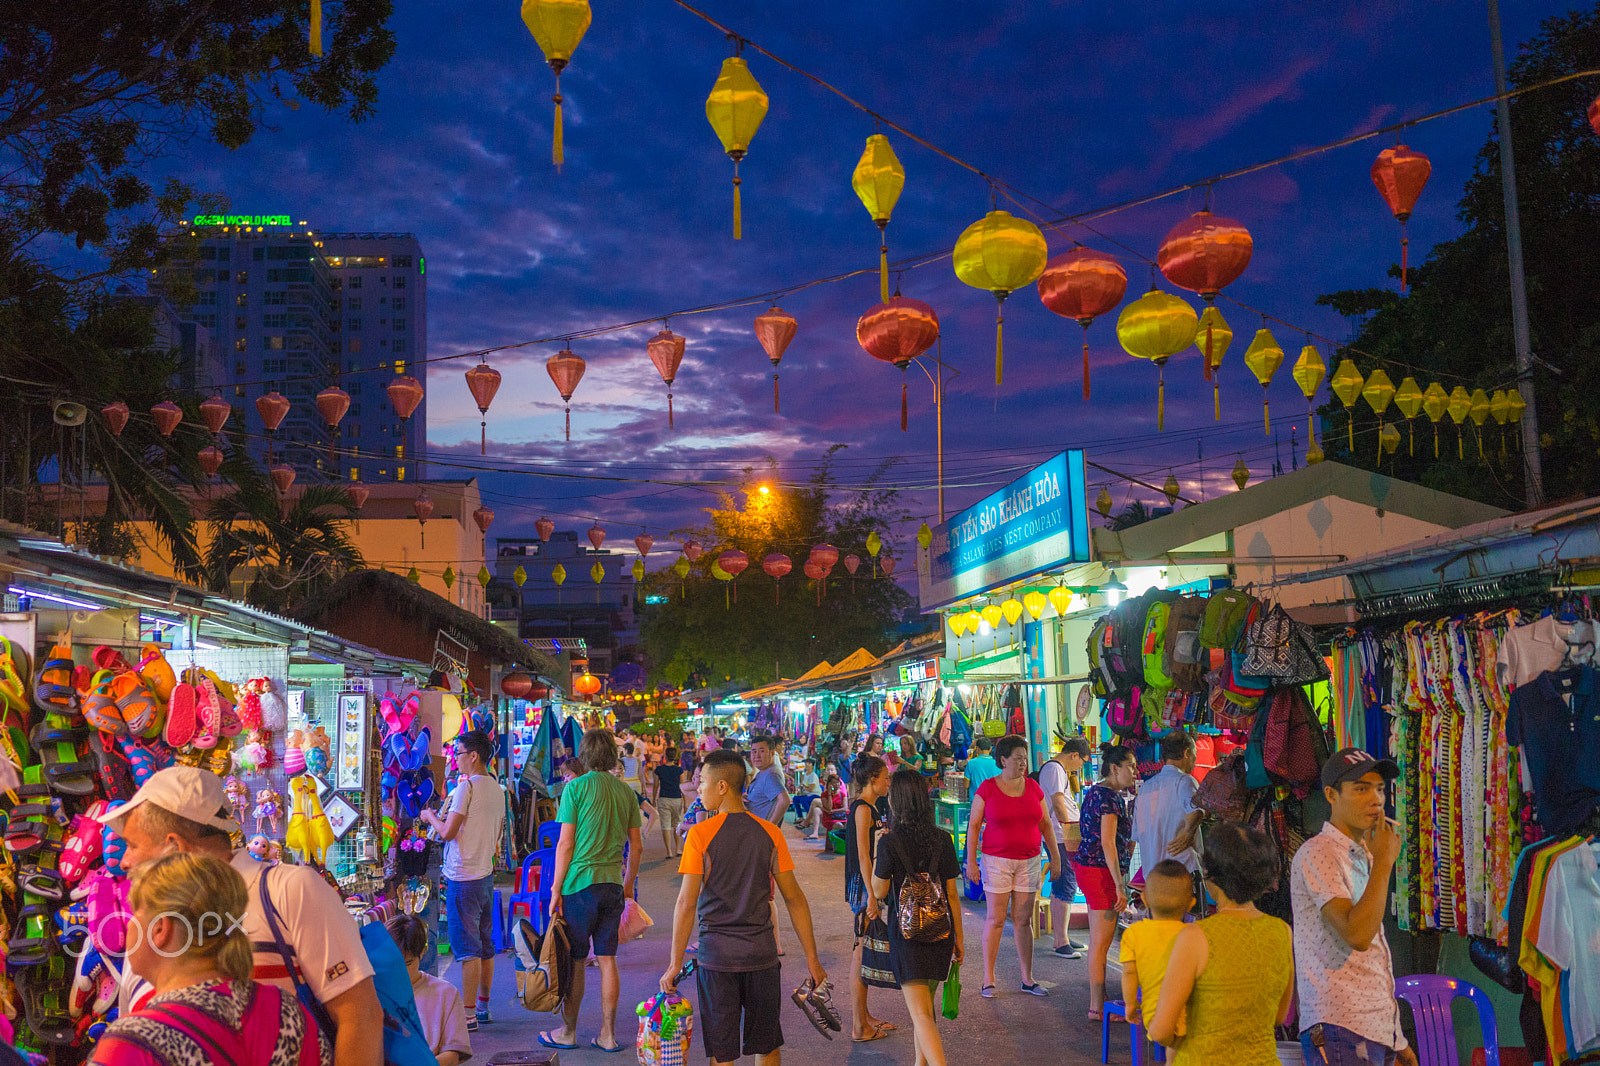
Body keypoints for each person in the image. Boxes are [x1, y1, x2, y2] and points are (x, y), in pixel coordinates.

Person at [98, 767, 382, 1066]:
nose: (124, 860)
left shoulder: (287, 890)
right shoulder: (147, 928)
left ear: (175, 846)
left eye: (132, 845)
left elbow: (359, 1016)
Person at [659, 750, 829, 1066]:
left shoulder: (699, 835)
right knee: (767, 1046)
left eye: (703, 783)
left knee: (722, 1053)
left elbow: (685, 904)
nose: (699, 790)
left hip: (717, 959)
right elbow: (794, 898)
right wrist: (812, 959)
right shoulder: (770, 832)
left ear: (722, 786)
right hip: (761, 957)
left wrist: (673, 964)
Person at [89, 851, 331, 1066]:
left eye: (136, 911)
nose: (130, 924)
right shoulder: (288, 1013)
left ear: (159, 929)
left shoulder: (135, 1042)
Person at [1291, 749, 1415, 1066]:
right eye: (1361, 789)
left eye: (1380, 789)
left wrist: (1395, 1038)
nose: (1376, 800)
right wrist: (1384, 864)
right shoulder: (1318, 852)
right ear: (1331, 795)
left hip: (1373, 1026)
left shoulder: (1365, 854)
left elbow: (1373, 950)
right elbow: (1357, 934)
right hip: (1339, 1025)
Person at [1146, 822, 1294, 1066]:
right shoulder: (1282, 932)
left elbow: (1161, 1030)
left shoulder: (1194, 937)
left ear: (1211, 878)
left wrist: (1179, 1041)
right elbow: (1279, 1015)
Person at [541, 729, 644, 1054]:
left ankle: (568, 1032)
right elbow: (637, 846)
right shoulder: (626, 793)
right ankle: (608, 1035)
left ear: (584, 755)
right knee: (607, 959)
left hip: (579, 887)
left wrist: (556, 889)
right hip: (612, 884)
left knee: (576, 959)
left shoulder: (575, 788)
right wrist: (627, 884)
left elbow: (565, 844)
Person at [870, 769, 963, 1066]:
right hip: (940, 933)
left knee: (921, 1014)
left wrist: (876, 850)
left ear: (896, 802)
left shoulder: (889, 841)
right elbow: (952, 895)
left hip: (908, 936)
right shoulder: (942, 839)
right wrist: (958, 938)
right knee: (925, 1011)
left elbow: (879, 889)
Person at [420, 730, 506, 1031]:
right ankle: (482, 1008)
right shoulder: (499, 790)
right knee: (484, 946)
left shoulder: (466, 789)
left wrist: (430, 815)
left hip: (462, 877)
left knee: (467, 950)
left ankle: (468, 1017)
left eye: (458, 753)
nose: (455, 759)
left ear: (474, 756)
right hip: (484, 876)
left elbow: (447, 833)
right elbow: (496, 838)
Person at [964, 734, 1061, 999]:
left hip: (1029, 860)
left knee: (1023, 919)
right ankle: (988, 979)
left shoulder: (1033, 787)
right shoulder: (987, 788)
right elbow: (974, 826)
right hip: (996, 861)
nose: (1022, 763)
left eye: (1024, 758)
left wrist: (1055, 856)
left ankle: (1027, 979)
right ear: (1003, 760)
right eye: (1017, 758)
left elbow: (1045, 825)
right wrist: (972, 862)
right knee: (995, 919)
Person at [1073, 743, 1138, 1019]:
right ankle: (1096, 1007)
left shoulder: (1096, 792)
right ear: (1115, 768)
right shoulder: (1110, 798)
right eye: (1130, 767)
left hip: (1090, 869)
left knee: (1099, 940)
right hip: (1100, 872)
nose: (1134, 772)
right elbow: (1108, 843)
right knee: (1101, 943)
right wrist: (1120, 885)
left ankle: (1101, 1002)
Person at [846, 754, 895, 1042]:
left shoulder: (871, 808)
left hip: (868, 889)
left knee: (862, 950)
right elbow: (864, 857)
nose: (889, 782)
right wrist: (871, 898)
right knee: (860, 952)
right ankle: (859, 1026)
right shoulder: (863, 810)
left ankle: (864, 1017)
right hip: (865, 890)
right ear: (873, 779)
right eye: (886, 777)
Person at [1119, 860, 1194, 1041]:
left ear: (1144, 899)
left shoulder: (1134, 934)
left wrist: (1130, 1004)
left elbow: (1129, 973)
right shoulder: (1194, 934)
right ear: (1191, 904)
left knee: (1172, 1053)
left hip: (1155, 1017)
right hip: (1191, 1017)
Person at [386, 915, 472, 1066]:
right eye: (391, 963)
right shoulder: (372, 993)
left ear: (422, 953)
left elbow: (453, 1056)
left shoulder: (446, 994)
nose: (397, 971)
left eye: (407, 964)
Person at [1132, 731, 1204, 894]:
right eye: (1194, 754)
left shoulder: (1145, 789)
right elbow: (1197, 811)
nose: (1194, 760)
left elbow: (1138, 834)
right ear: (1186, 753)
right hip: (1181, 872)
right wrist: (1187, 833)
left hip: (1152, 876)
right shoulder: (1184, 781)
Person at [1039, 736, 1092, 958]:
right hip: (1061, 836)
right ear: (1074, 755)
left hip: (1063, 835)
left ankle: (1064, 937)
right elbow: (1059, 805)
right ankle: (1060, 941)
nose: (1080, 767)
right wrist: (1070, 833)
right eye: (1081, 762)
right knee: (1065, 883)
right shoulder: (1055, 769)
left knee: (1066, 882)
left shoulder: (1058, 770)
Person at [744, 735, 790, 824]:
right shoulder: (762, 773)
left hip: (761, 830)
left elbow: (784, 801)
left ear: (772, 753)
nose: (757, 755)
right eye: (754, 751)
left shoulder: (770, 775)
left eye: (762, 751)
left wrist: (770, 826)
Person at [655, 746, 687, 857]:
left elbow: (655, 786)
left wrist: (654, 799)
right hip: (676, 799)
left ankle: (668, 851)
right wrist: (685, 802)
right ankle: (678, 849)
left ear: (665, 756)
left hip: (663, 799)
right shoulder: (679, 770)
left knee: (666, 826)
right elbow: (682, 787)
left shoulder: (659, 770)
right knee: (676, 825)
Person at [799, 771, 845, 842]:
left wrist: (831, 811)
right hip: (830, 815)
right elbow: (829, 807)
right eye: (828, 769)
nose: (836, 784)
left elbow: (844, 808)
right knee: (816, 809)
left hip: (838, 815)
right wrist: (829, 794)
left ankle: (807, 821)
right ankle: (814, 832)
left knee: (815, 801)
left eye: (831, 769)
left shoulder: (842, 791)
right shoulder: (825, 792)